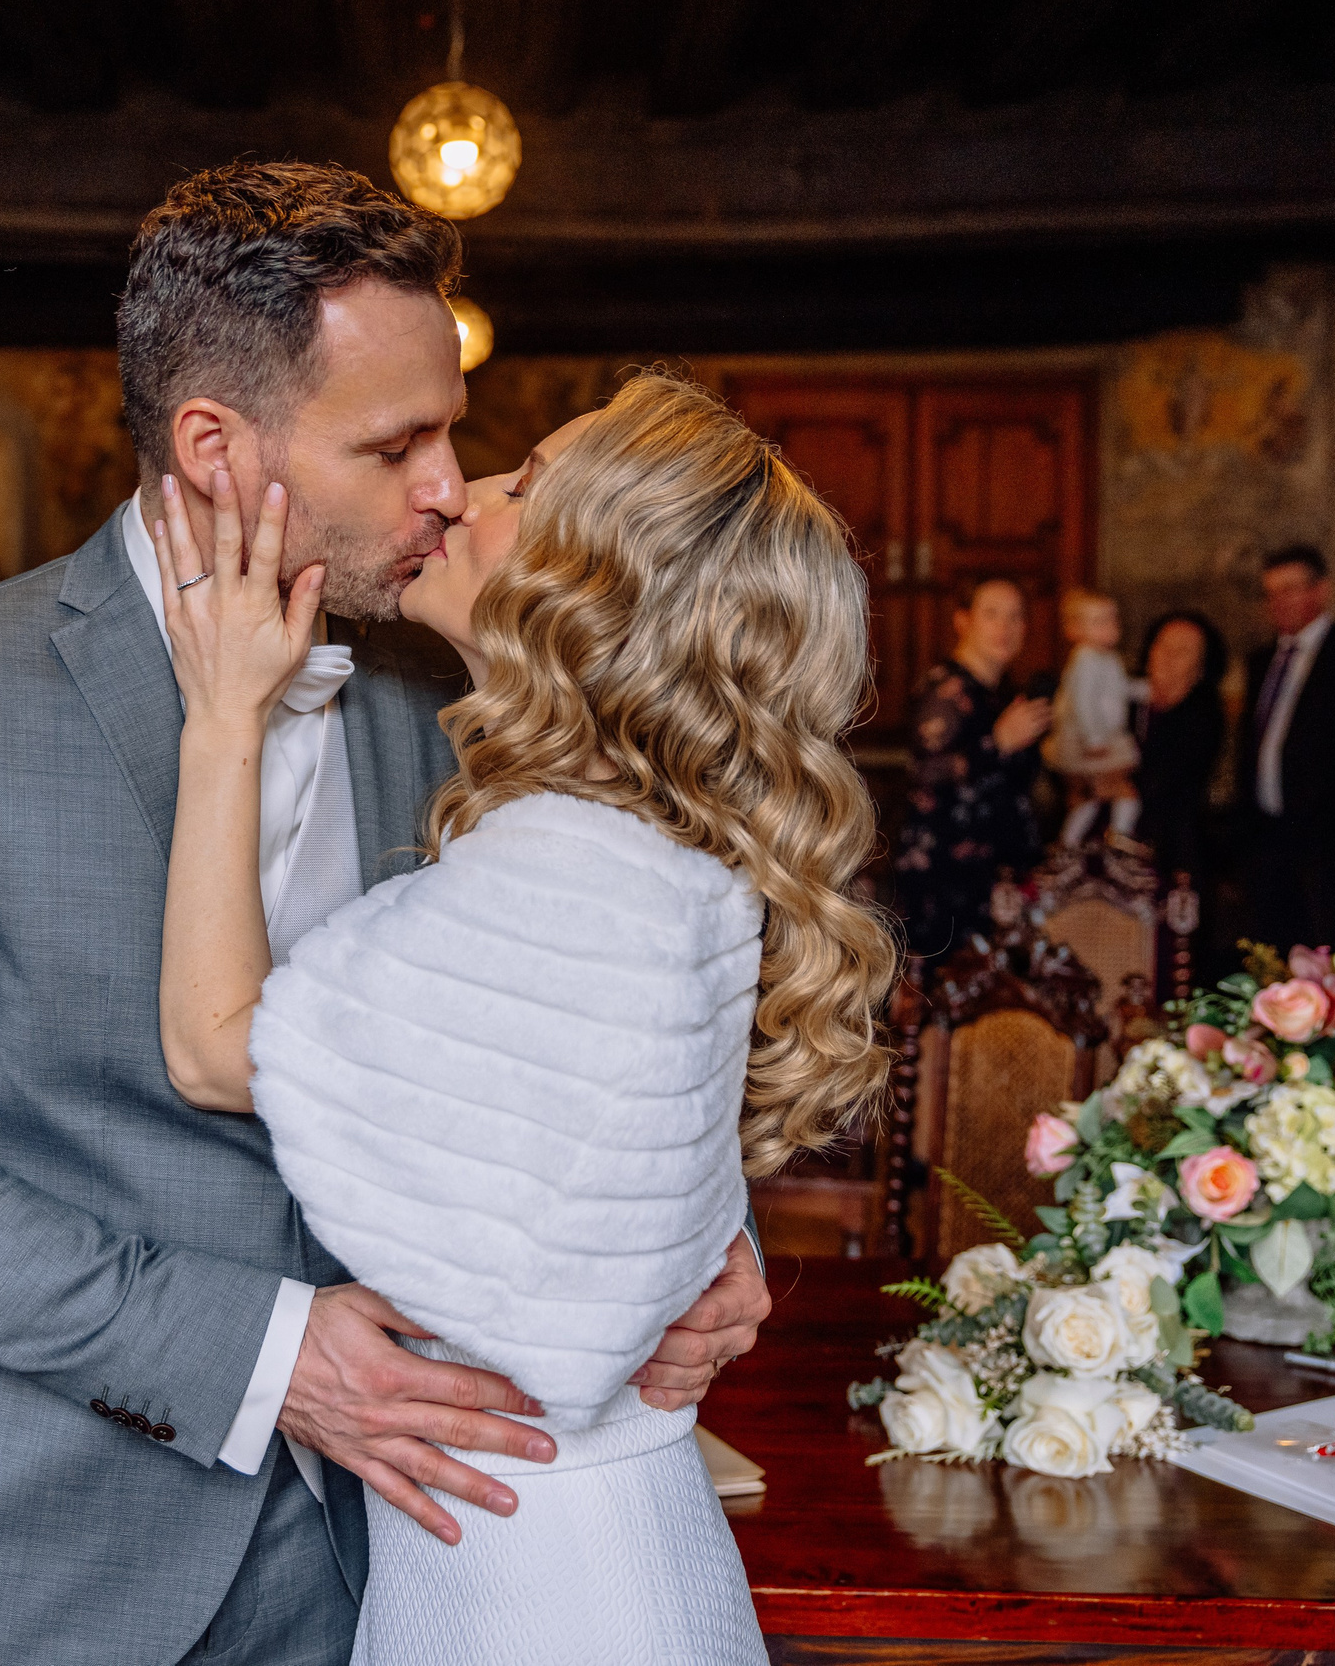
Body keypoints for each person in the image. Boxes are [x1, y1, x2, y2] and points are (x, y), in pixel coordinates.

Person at [0, 162, 772, 1666]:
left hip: (412, 1554)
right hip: (45, 1567)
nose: (448, 484)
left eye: (453, 431)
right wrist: (261, 1354)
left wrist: (703, 1233)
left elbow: (578, 993)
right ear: (215, 448)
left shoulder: (454, 683)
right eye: (398, 442)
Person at [151, 373, 892, 1662]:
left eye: (523, 482)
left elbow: (218, 1046)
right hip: (575, 1529)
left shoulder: (564, 860)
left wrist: (222, 717)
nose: (460, 490)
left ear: (598, 580)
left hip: (531, 1574)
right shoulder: (666, 852)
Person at [893, 577, 1051, 962]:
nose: (1005, 628)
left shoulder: (1005, 692)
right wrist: (997, 743)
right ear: (963, 621)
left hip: (996, 877)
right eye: (992, 614)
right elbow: (927, 773)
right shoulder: (943, 689)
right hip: (946, 879)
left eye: (1016, 617)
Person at [1235, 544, 1335, 950]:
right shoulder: (1263, 660)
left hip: (1326, 842)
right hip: (1267, 839)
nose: (1278, 602)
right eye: (1271, 592)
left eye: (1290, 589)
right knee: (1266, 958)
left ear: (1322, 590)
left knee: (1324, 955)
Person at [1131, 609, 1228, 885]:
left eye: (1183, 651)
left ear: (1200, 669)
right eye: (1162, 645)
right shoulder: (1125, 702)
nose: (1168, 656)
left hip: (1174, 853)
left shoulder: (1205, 717)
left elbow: (1164, 781)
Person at [1043, 587, 1142, 845]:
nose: (1110, 626)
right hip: (1086, 741)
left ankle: (1073, 841)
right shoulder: (1085, 660)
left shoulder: (1106, 657)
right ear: (1075, 630)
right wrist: (1095, 739)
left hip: (1100, 738)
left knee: (1094, 796)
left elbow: (1120, 687)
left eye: (1112, 619)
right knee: (1120, 791)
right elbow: (1083, 703)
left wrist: (1146, 691)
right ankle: (1117, 838)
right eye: (1099, 621)